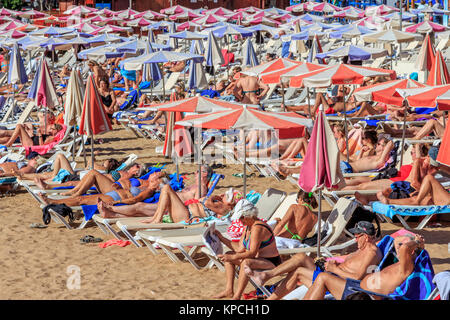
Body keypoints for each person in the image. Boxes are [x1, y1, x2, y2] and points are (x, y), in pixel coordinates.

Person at [245, 221, 383, 300]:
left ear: (365, 236)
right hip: (335, 275)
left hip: (342, 285)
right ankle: (267, 277)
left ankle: (268, 285)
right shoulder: (361, 249)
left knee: (303, 272)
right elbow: (349, 266)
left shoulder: (371, 253)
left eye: (357, 236)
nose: (355, 239)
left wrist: (334, 269)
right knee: (301, 260)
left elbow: (358, 277)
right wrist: (332, 264)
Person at [303, 233, 425, 300]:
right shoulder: (399, 264)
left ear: (411, 251)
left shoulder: (406, 268)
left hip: (364, 296)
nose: (396, 247)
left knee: (323, 278)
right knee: (321, 277)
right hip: (359, 289)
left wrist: (418, 242)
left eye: (399, 245)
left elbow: (405, 248)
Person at [213, 199, 282, 300]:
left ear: (249, 215)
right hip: (259, 260)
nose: (240, 220)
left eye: (241, 218)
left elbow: (252, 253)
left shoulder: (257, 228)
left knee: (246, 262)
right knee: (229, 256)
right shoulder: (247, 227)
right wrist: (221, 238)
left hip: (271, 262)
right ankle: (229, 290)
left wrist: (234, 256)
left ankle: (237, 296)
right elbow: (240, 248)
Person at [96, 166, 214, 220]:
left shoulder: (201, 187)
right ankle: (111, 214)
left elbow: (197, 203)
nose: (195, 173)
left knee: (139, 207)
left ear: (204, 174)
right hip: (169, 204)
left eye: (198, 171)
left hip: (174, 209)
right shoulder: (194, 185)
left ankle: (111, 209)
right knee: (140, 211)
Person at [37, 169, 167, 207]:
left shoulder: (149, 191)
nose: (155, 175)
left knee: (82, 200)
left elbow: (134, 200)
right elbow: (124, 183)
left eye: (158, 177)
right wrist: (119, 186)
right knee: (93, 173)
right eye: (156, 174)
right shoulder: (142, 182)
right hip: (115, 190)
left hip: (115, 197)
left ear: (157, 186)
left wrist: (117, 202)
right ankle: (69, 194)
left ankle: (53, 202)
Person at [377, 174, 450, 206]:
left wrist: (417, 162)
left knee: (429, 178)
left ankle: (416, 201)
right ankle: (389, 201)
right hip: (445, 199)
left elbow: (415, 182)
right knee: (419, 198)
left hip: (447, 201)